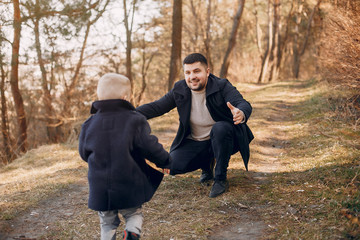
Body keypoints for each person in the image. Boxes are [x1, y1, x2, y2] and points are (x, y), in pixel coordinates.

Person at [136, 53, 254, 198]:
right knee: (172, 167)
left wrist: (241, 112)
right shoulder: (180, 89)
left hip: (225, 138)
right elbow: (156, 107)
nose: (192, 76)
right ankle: (207, 166)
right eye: (188, 72)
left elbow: (242, 103)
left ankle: (220, 178)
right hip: (197, 141)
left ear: (207, 72)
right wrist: (126, 115)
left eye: (197, 71)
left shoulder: (221, 85)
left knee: (220, 128)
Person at [78, 73, 170, 240]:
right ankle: (132, 232)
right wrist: (165, 160)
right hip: (129, 184)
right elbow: (149, 146)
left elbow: (84, 154)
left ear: (99, 96)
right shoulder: (134, 120)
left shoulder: (89, 124)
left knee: (106, 224)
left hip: (101, 189)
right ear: (125, 97)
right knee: (133, 213)